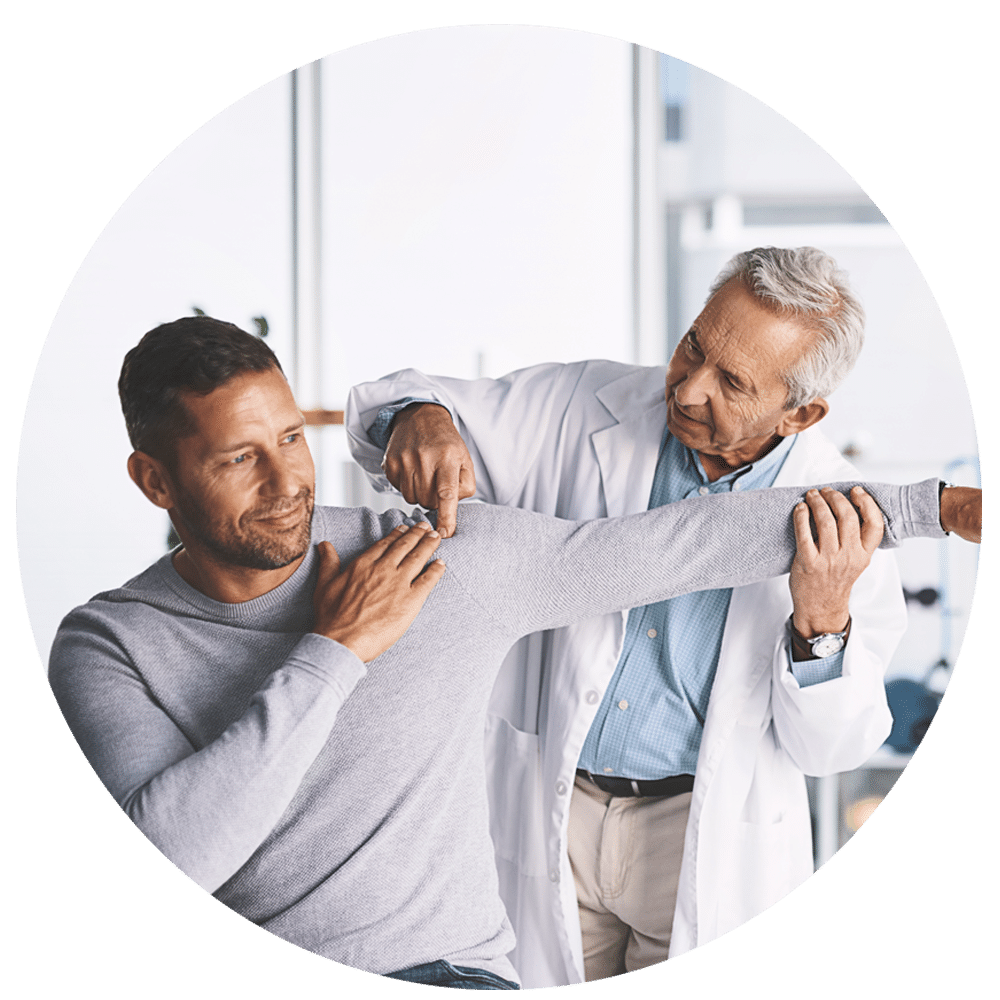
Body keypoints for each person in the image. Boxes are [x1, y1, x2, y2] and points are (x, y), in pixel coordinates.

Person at [47, 316, 977, 991]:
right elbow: (171, 862)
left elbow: (685, 542)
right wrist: (334, 649)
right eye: (237, 458)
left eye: (292, 438)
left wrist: (939, 508)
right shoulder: (108, 641)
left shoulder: (432, 554)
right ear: (154, 480)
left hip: (446, 973)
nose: (286, 479)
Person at [345, 246, 983, 986]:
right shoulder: (584, 402)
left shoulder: (842, 519)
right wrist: (420, 418)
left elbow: (833, 748)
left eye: (732, 382)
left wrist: (822, 620)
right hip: (551, 801)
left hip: (696, 833)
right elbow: (402, 401)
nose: (687, 388)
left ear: (800, 412)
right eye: (694, 346)